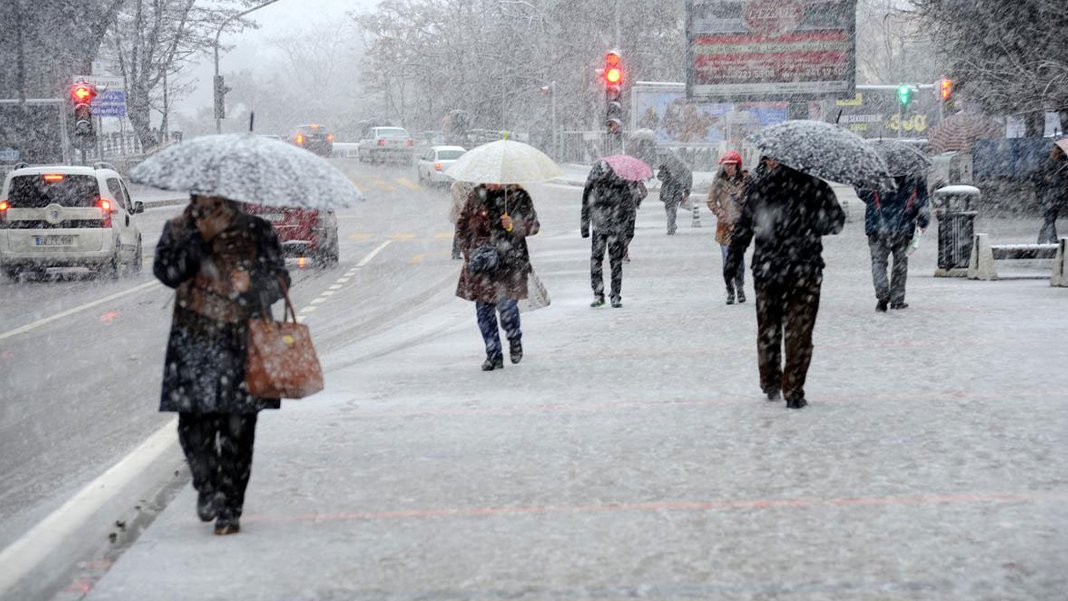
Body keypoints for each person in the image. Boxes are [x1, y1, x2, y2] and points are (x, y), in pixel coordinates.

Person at [154, 195, 290, 535]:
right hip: (193, 344)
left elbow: (280, 280)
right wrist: (201, 240)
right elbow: (168, 273)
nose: (210, 199)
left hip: (243, 345)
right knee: (192, 426)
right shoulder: (179, 230)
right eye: (203, 194)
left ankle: (230, 508)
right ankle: (207, 485)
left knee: (239, 432)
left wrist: (252, 286)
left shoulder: (257, 230)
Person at [727, 157, 845, 409]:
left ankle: (770, 382)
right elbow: (836, 224)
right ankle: (793, 390)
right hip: (805, 270)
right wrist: (812, 220)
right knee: (799, 332)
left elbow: (744, 226)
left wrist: (733, 258)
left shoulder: (763, 186)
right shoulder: (816, 187)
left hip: (767, 270)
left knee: (768, 328)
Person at [455, 183, 540, 370]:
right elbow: (461, 227)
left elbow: (533, 226)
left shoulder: (518, 195)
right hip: (483, 266)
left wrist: (513, 226)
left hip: (510, 264)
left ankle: (514, 337)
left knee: (507, 307)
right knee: (484, 312)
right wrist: (471, 252)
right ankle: (493, 353)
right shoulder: (477, 195)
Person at [857, 175, 930, 311]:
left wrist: (872, 197)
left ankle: (883, 294)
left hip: (877, 223)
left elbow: (862, 192)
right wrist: (923, 221)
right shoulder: (914, 173)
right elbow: (922, 200)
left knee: (878, 262)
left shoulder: (874, 170)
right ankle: (897, 300)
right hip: (903, 224)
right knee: (900, 264)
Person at [581, 160, 633, 308]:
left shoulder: (616, 183)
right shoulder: (614, 181)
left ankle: (607, 294)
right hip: (606, 228)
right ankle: (607, 294)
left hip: (609, 228)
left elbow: (628, 207)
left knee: (605, 261)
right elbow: (585, 205)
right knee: (609, 262)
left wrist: (629, 229)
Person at [706, 150, 750, 305]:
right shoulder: (718, 181)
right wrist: (720, 212)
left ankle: (740, 288)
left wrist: (743, 202)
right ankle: (730, 290)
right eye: (726, 165)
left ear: (737, 165)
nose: (729, 168)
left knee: (739, 261)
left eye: (732, 165)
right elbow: (710, 201)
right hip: (724, 227)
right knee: (727, 260)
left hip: (740, 226)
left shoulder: (745, 180)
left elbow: (753, 198)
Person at [1035, 142, 1068, 244]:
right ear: (1052, 150)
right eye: (1056, 149)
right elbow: (1036, 178)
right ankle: (1053, 240)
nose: (1057, 152)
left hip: (1057, 196)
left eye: (1059, 150)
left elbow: (1064, 180)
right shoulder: (1044, 164)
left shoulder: (1063, 165)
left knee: (1051, 219)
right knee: (1049, 218)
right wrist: (1045, 179)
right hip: (1046, 195)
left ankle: (1041, 240)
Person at [656, 157, 692, 235]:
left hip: (675, 194)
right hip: (668, 193)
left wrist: (686, 192)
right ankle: (672, 224)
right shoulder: (666, 169)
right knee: (670, 210)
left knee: (672, 210)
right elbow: (659, 176)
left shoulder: (682, 172)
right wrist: (667, 175)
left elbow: (685, 183)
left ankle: (670, 227)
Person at [449, 180, 475, 260]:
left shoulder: (473, 185)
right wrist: (465, 209)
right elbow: (458, 200)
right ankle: (455, 252)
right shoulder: (456, 185)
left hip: (469, 212)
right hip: (458, 213)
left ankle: (469, 251)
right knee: (459, 231)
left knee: (470, 231)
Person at [623, 179, 647, 262]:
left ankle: (623, 248)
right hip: (621, 211)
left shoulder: (636, 180)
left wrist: (638, 199)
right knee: (626, 233)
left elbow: (644, 192)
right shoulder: (617, 180)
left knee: (629, 233)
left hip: (629, 211)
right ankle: (624, 252)